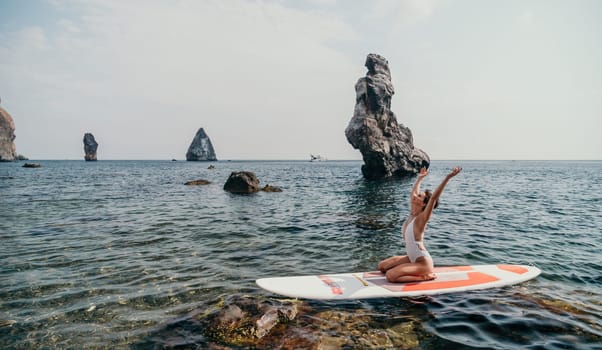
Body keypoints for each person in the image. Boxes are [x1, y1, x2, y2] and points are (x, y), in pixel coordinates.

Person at [378, 166, 462, 283]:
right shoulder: (412, 213)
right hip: (411, 258)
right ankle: (409, 268)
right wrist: (420, 178)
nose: (415, 196)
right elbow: (413, 193)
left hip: (423, 263)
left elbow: (433, 198)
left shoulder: (421, 219)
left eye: (419, 197)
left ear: (424, 204)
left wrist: (448, 178)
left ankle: (424, 276)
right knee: (382, 266)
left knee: (390, 275)